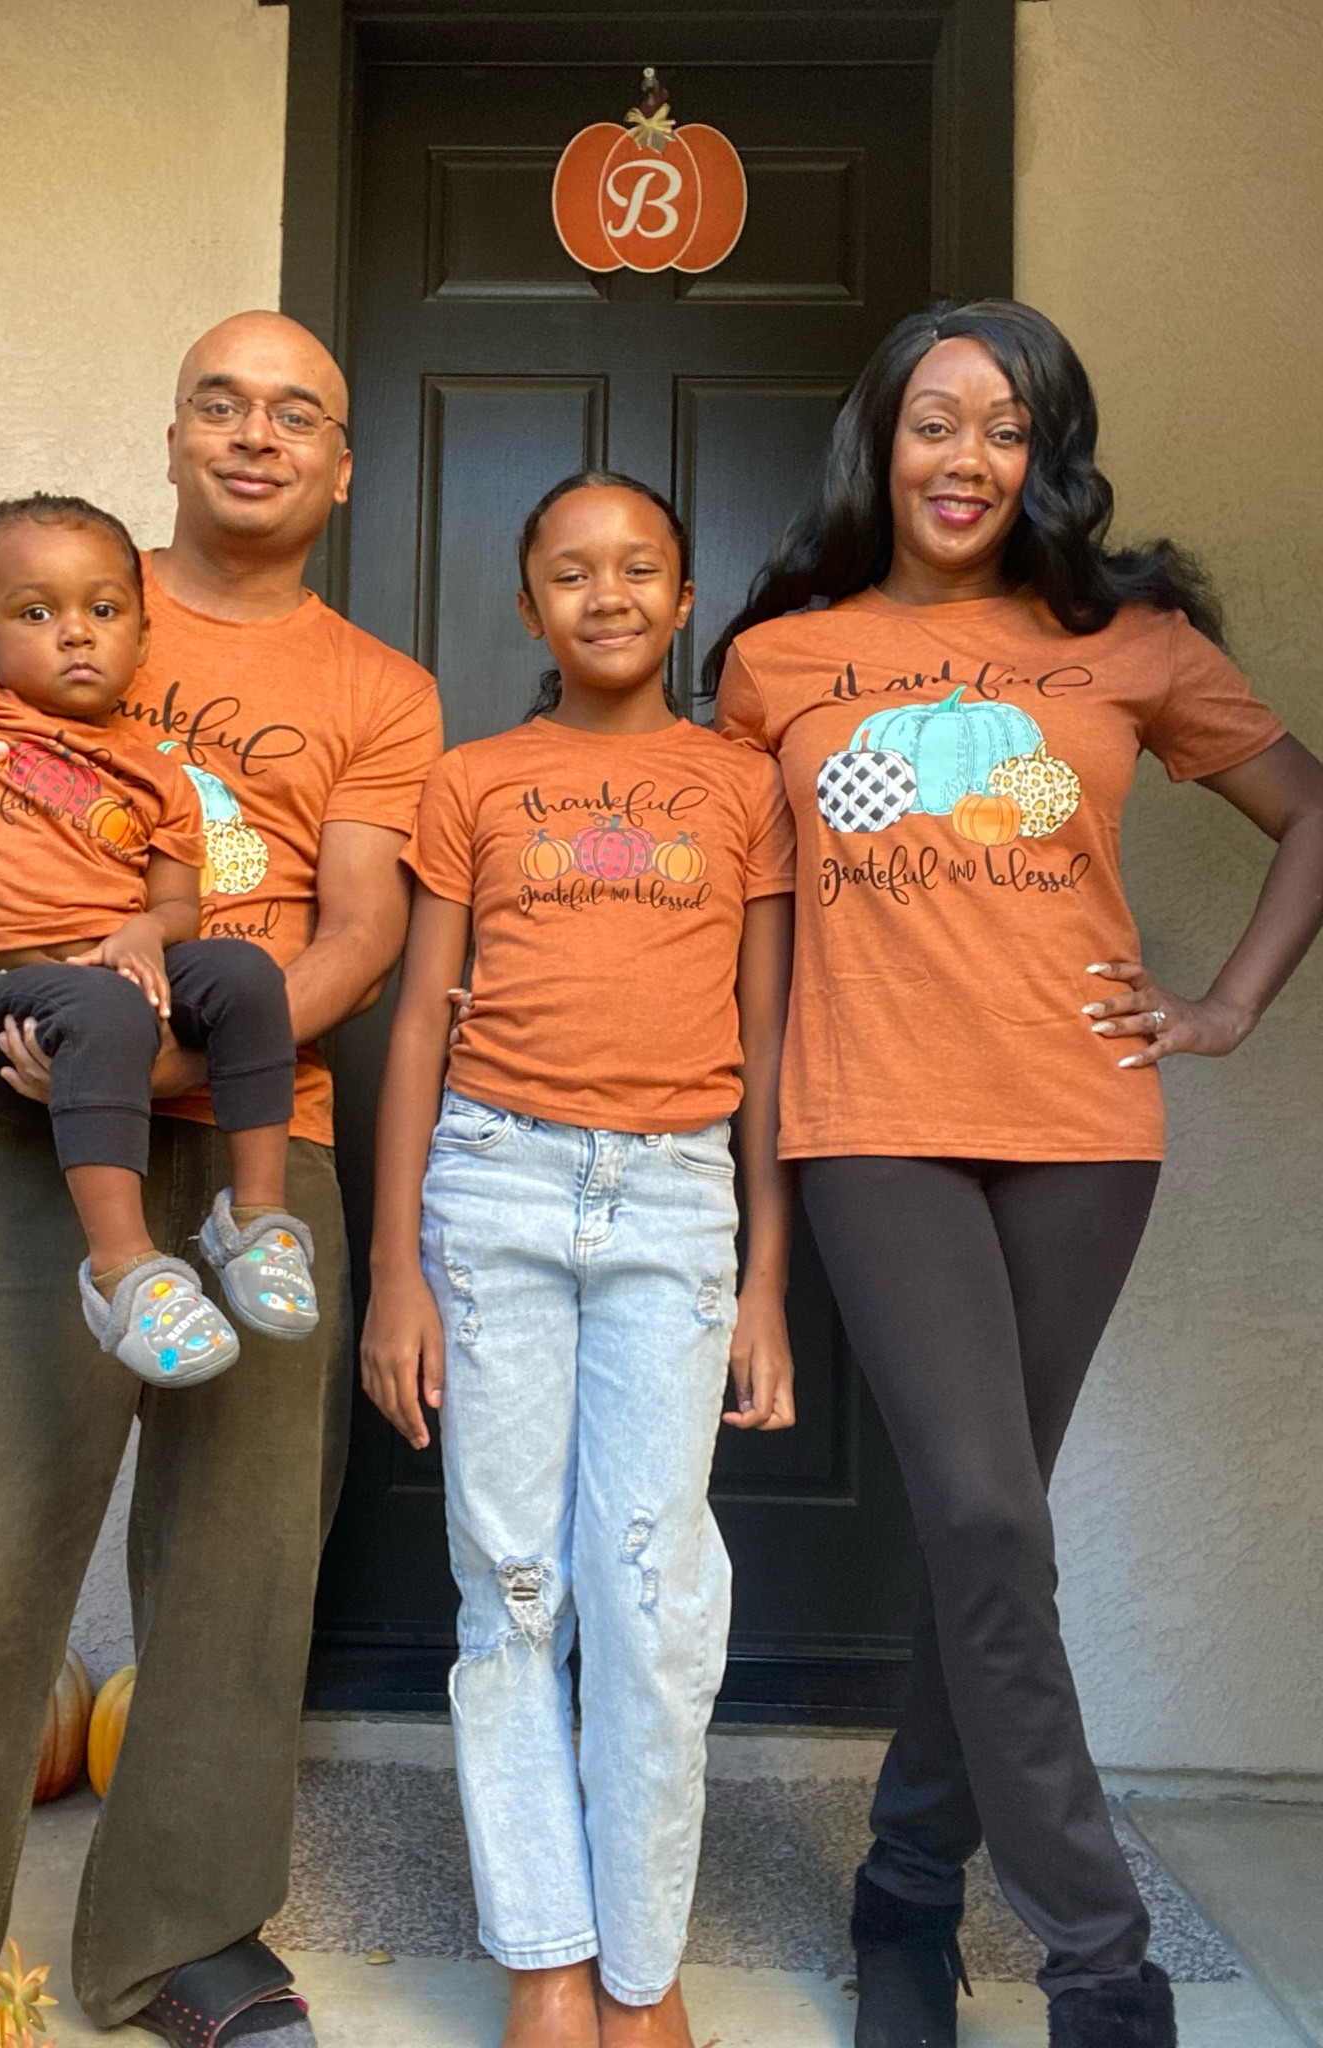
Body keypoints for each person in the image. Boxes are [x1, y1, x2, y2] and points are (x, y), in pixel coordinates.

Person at [705, 299, 1323, 2048]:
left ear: (1047, 456)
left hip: (1083, 1133)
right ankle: (1099, 1966)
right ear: (878, 445)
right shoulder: (781, 658)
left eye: (1008, 428)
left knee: (1000, 1539)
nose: (967, 458)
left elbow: (1312, 810)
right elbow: (720, 901)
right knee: (982, 1513)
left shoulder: (1128, 641)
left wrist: (1224, 1006)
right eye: (934, 421)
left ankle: (904, 1882)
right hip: (869, 1117)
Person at [0, 313, 442, 2048]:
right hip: (43, 1119)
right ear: (175, 435)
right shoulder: (63, 588)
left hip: (267, 1136)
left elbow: (360, 932)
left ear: (342, 464)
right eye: (221, 403)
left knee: (245, 1554)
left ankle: (181, 1937)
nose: (256, 436)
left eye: (298, 415)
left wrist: (179, 1052)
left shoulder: (377, 687)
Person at [362, 473, 798, 2048]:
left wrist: (762, 1278)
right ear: (530, 605)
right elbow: (419, 1019)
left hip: (679, 1204)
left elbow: (768, 1032)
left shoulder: (743, 787)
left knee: (653, 1590)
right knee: (514, 1583)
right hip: (491, 1191)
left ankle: (643, 1965)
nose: (606, 594)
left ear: (686, 601)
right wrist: (396, 1270)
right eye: (569, 570)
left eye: (640, 569)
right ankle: (545, 1953)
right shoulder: (476, 779)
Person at [0, 493, 318, 1382]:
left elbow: (178, 907)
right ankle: (124, 1275)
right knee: (104, 1009)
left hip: (110, 980)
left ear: (142, 640)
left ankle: (257, 1221)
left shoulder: (158, 779)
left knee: (241, 970)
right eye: (36, 613)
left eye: (103, 611)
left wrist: (146, 933)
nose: (75, 633)